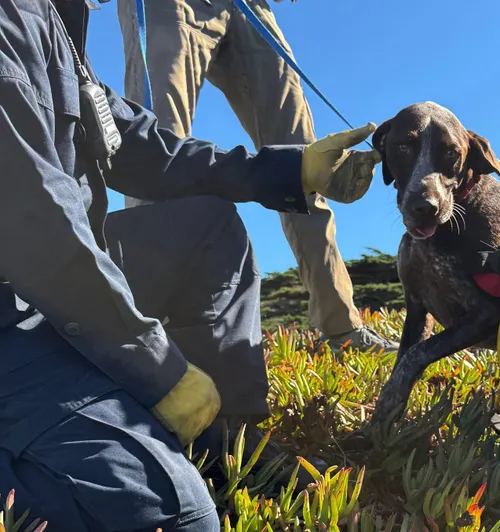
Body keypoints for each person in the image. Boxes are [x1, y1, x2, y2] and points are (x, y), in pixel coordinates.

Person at [0, 0, 381, 529]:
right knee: (174, 517)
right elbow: (32, 221)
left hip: (44, 284)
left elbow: (140, 145)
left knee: (205, 227)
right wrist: (156, 370)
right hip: (13, 320)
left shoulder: (55, 21)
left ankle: (228, 449)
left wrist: (290, 172)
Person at [114, 0, 400, 354]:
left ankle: (343, 329)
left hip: (250, 7)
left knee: (307, 165)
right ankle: (150, 340)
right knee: (155, 147)